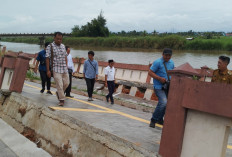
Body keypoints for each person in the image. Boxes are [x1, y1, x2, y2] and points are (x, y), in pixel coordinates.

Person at [148, 48, 174, 128]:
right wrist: (159, 78)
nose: (167, 57)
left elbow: (173, 72)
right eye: (166, 55)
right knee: (163, 102)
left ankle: (159, 119)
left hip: (167, 86)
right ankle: (153, 119)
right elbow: (150, 72)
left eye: (169, 55)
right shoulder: (157, 62)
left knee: (166, 104)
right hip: (159, 86)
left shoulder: (171, 62)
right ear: (162, 54)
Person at [46, 32, 69, 106]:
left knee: (66, 83)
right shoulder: (50, 46)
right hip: (56, 69)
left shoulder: (63, 46)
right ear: (54, 38)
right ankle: (61, 100)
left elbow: (65, 56)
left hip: (64, 68)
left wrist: (66, 65)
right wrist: (48, 70)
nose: (59, 40)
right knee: (59, 84)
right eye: (58, 39)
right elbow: (47, 58)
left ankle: (58, 93)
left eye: (61, 39)